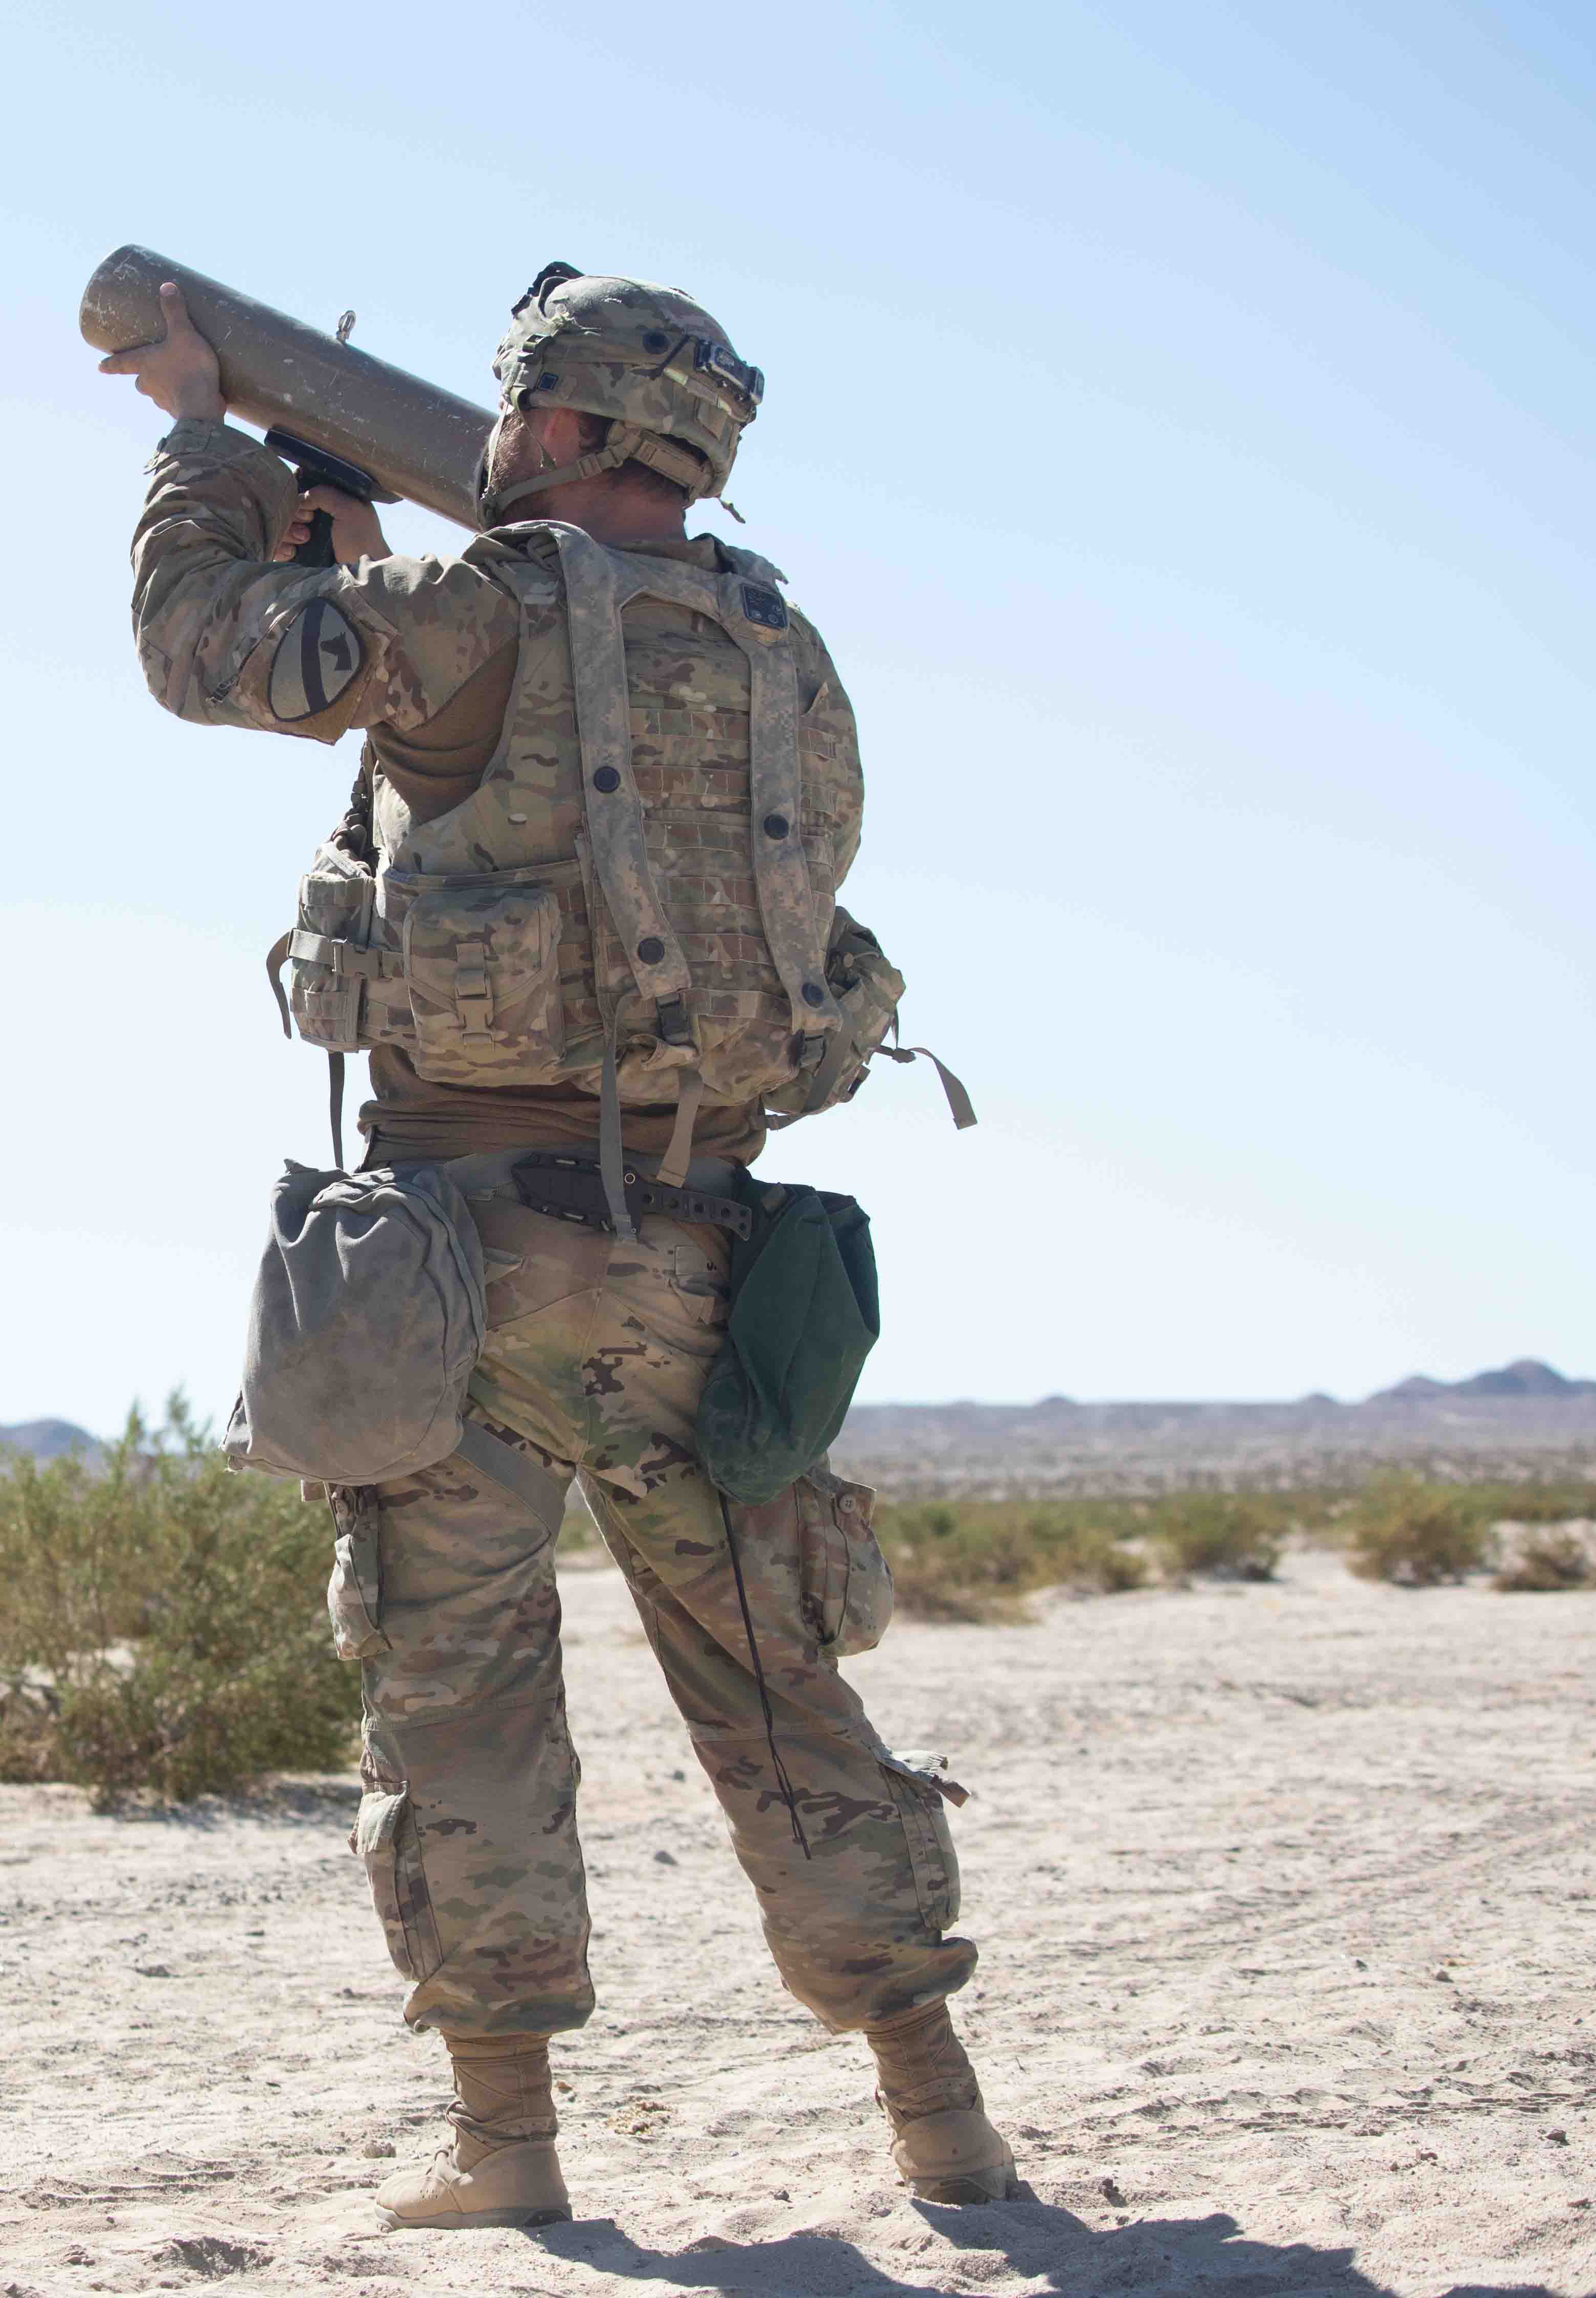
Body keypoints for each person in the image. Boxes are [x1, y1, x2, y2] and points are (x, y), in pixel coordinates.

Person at [103, 267, 1014, 2228]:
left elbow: (203, 651)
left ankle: (508, 2152)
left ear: (568, 427)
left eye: (522, 412)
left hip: (468, 1275)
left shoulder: (486, 610)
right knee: (784, 1693)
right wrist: (344, 540)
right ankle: (942, 2120)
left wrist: (196, 437)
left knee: (463, 1698)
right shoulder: (786, 653)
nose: (495, 436)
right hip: (710, 1259)